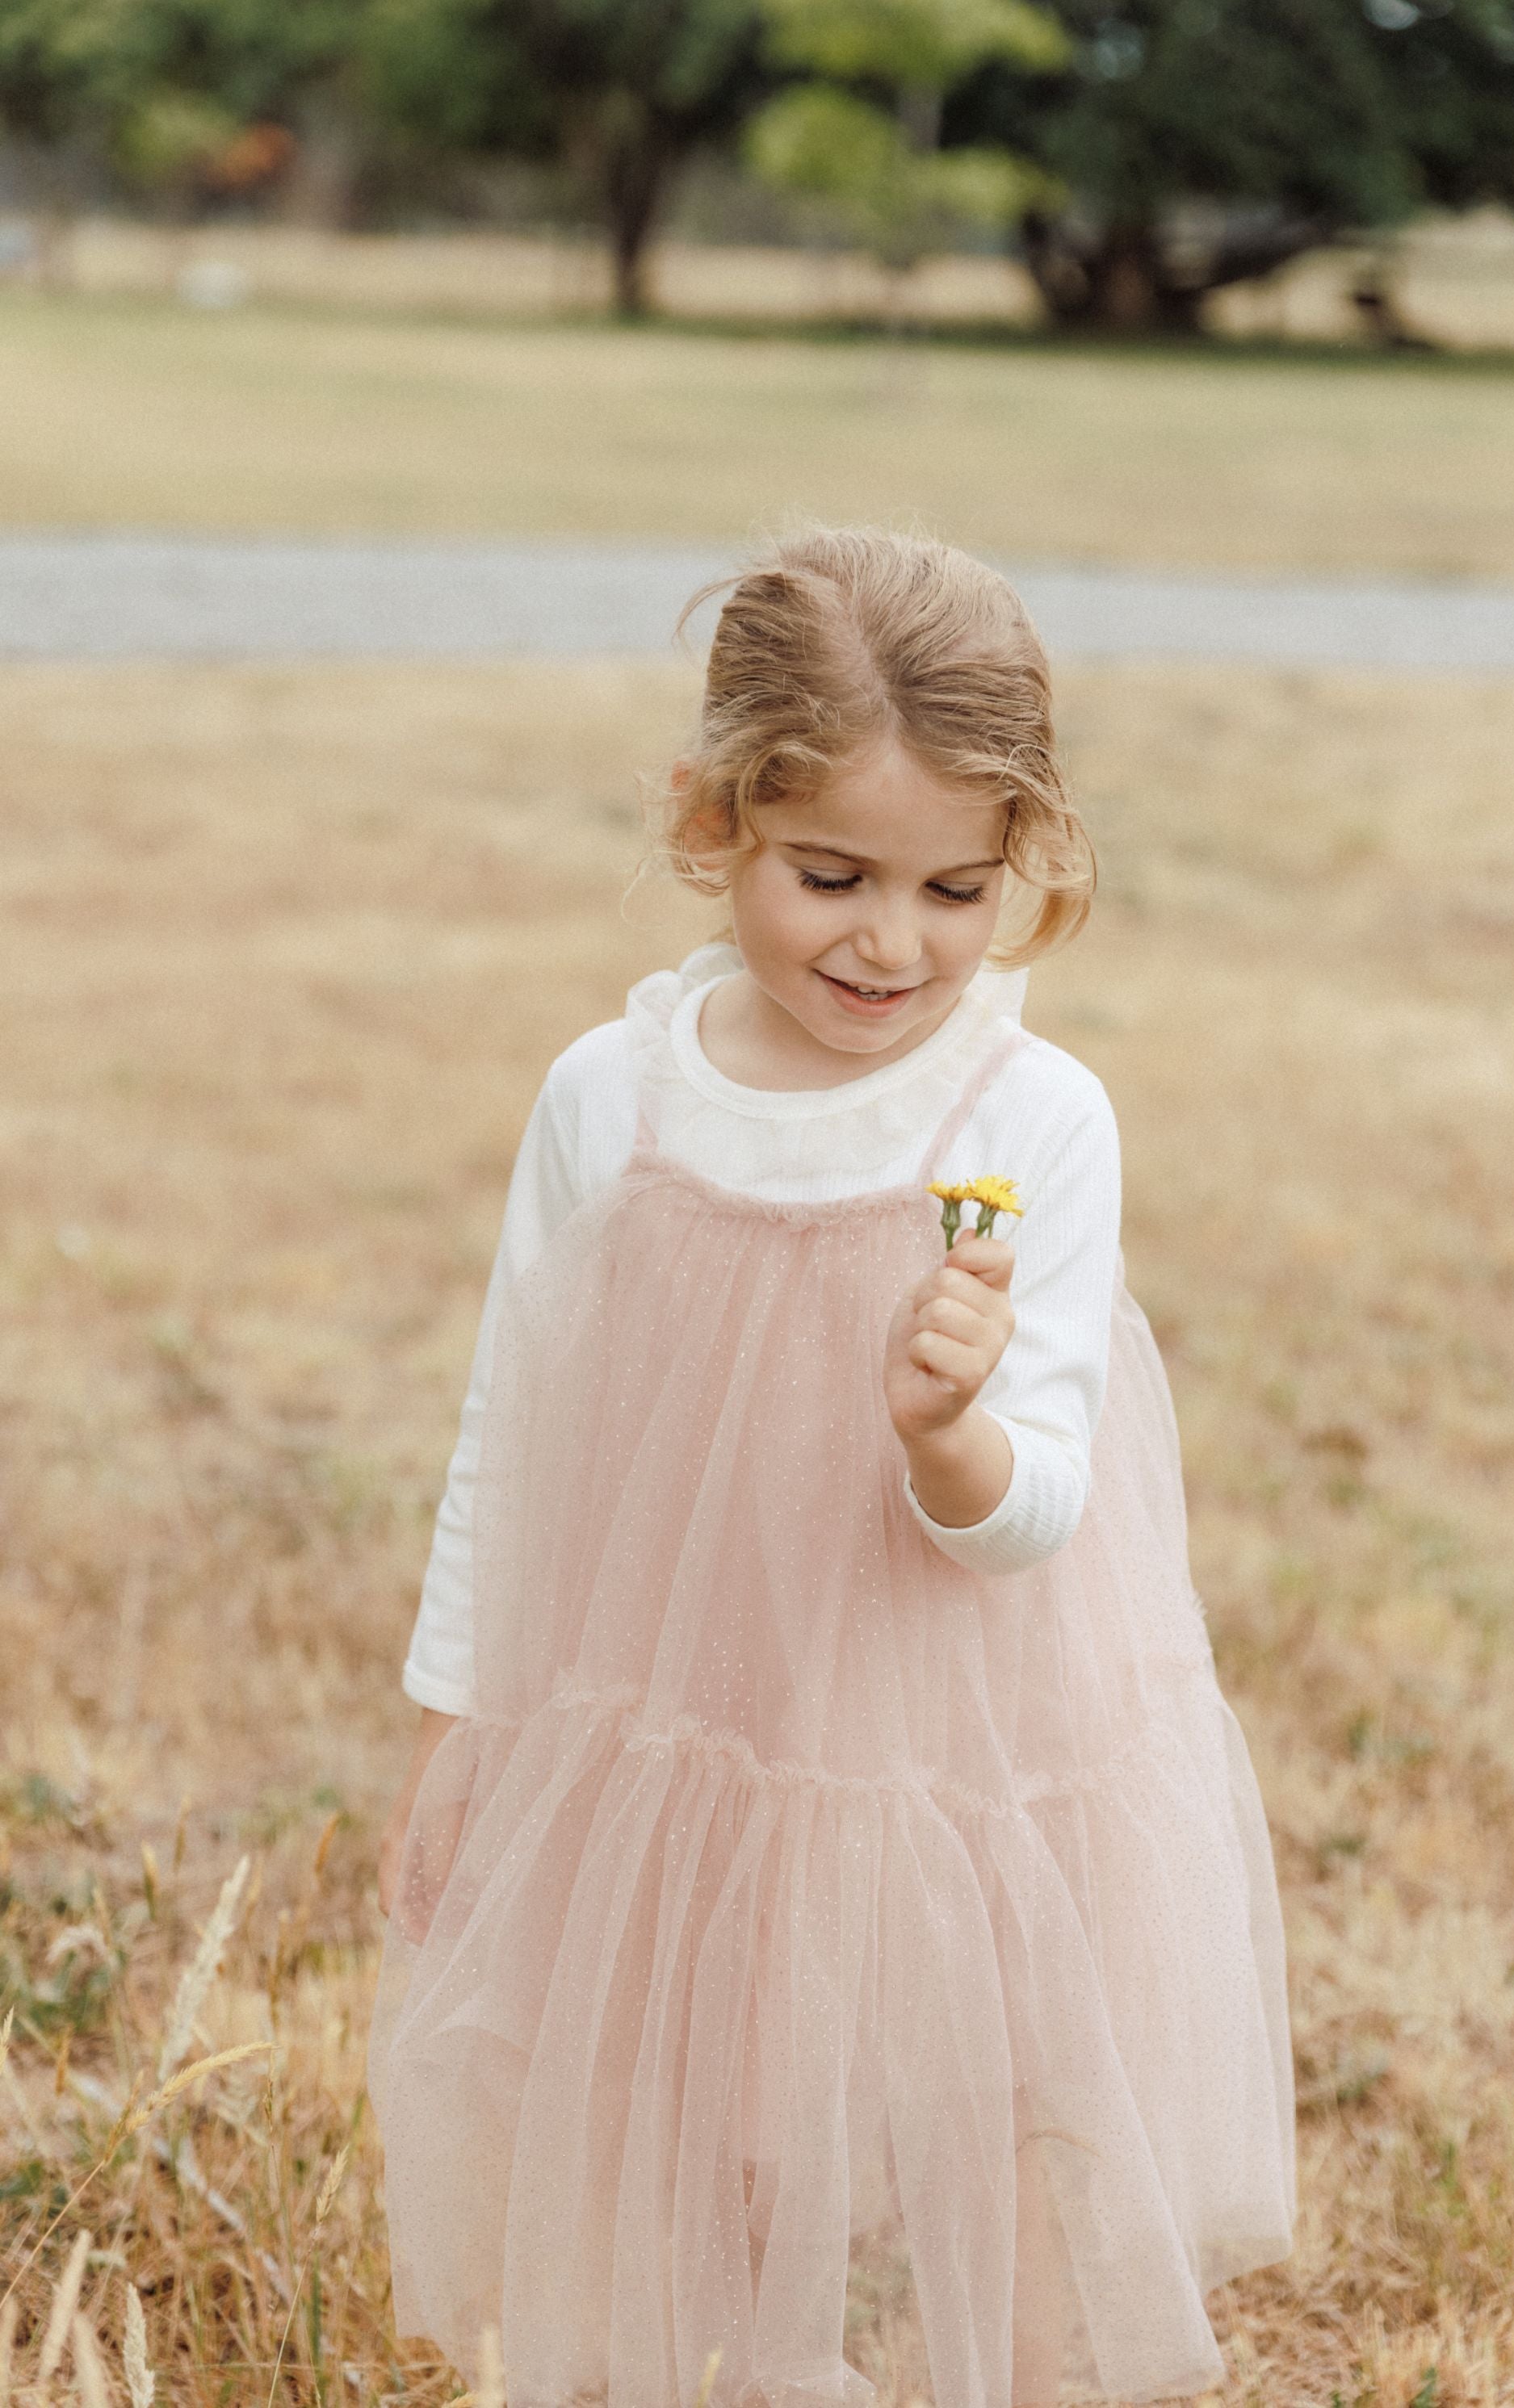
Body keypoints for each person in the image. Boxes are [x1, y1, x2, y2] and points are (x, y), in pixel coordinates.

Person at [367, 526, 1297, 2408]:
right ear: (714, 824)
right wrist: (454, 1731)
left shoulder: (1026, 1117)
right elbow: (511, 1428)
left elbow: (1033, 1513)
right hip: (678, 1704)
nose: (892, 943)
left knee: (991, 2093)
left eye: (958, 888)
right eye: (830, 876)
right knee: (665, 2080)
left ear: (1025, 864)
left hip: (954, 1724)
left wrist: (949, 1434)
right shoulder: (610, 1099)